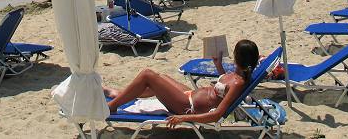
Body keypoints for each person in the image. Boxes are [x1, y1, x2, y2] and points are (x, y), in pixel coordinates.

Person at [103, 39, 260, 127]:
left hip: (187, 107)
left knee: (147, 75)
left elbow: (217, 114)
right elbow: (223, 88)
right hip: (190, 95)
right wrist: (218, 65)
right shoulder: (237, 74)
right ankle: (117, 95)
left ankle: (112, 106)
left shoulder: (239, 82)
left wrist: (183, 118)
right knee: (161, 77)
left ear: (238, 57)